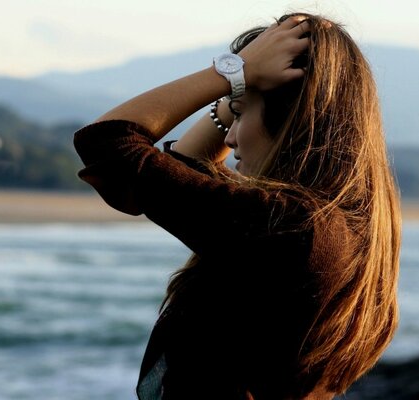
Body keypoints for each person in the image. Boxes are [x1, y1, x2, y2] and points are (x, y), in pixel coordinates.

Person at [74, 11, 401, 400]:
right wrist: (239, 94)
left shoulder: (293, 230)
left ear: (293, 119)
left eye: (240, 114)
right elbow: (185, 165)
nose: (228, 136)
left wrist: (233, 71)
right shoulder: (336, 231)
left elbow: (108, 145)